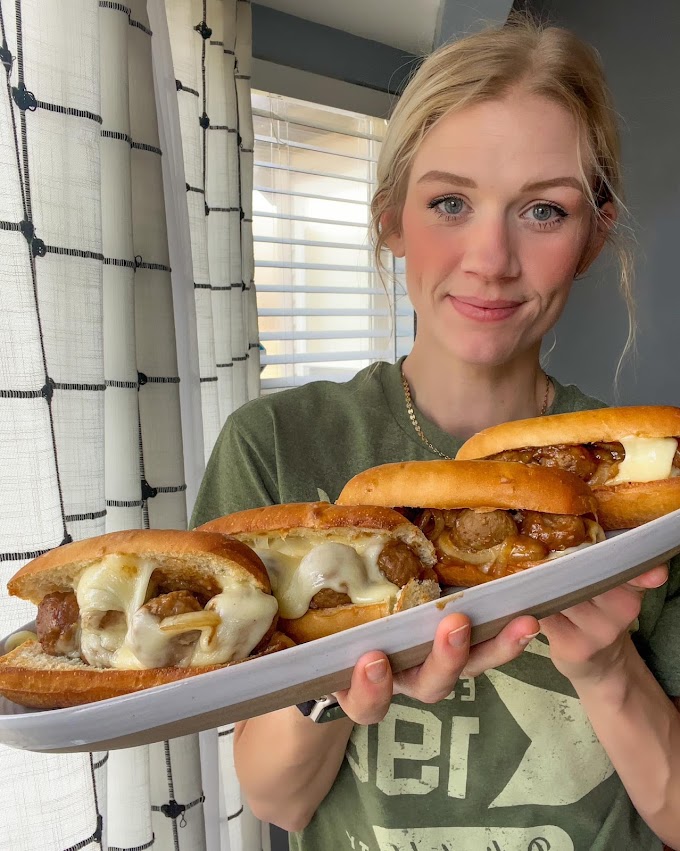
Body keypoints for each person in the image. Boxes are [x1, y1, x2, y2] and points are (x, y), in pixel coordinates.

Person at [191, 15, 680, 851]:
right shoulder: (275, 444)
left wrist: (606, 665)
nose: (490, 257)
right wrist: (330, 685)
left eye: (543, 210)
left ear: (594, 238)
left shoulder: (656, 492)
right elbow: (278, 798)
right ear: (390, 218)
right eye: (450, 202)